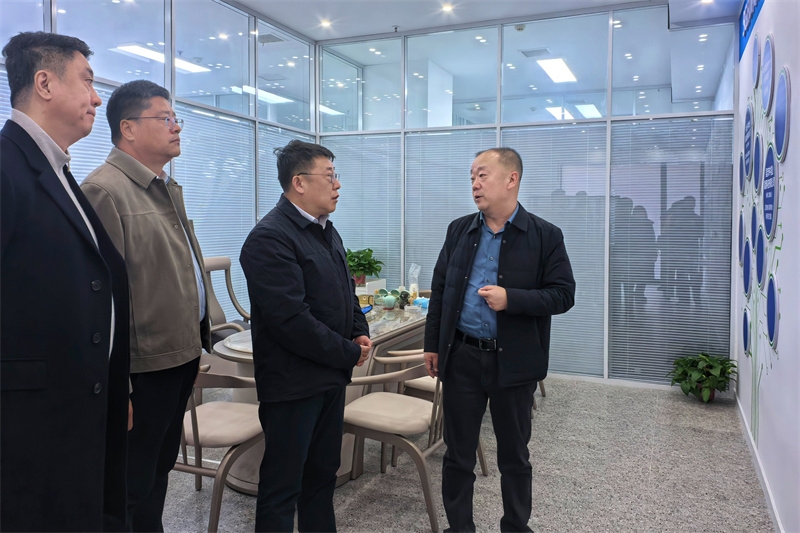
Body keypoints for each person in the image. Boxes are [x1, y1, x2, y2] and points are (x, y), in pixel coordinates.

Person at [0, 32, 130, 531]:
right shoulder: (7, 167)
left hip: (76, 410)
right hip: (29, 426)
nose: (96, 98)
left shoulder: (56, 169)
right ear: (45, 84)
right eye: (88, 82)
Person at [80, 79, 211, 532]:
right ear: (128, 128)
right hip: (142, 369)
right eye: (166, 118)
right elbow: (101, 302)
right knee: (131, 487)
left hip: (178, 357)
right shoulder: (105, 190)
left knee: (158, 474)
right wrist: (120, 386)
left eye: (176, 118)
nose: (177, 127)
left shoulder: (164, 187)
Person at [424, 147, 575, 532]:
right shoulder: (459, 230)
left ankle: (516, 527)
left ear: (511, 179)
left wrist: (512, 299)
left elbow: (563, 295)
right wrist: (432, 345)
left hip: (515, 364)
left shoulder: (545, 236)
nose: (474, 184)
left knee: (514, 458)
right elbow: (440, 290)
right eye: (471, 177)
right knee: (458, 456)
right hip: (462, 358)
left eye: (482, 175)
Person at [240, 140, 371, 532]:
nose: (337, 184)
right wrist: (347, 352)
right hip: (292, 386)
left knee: (322, 478)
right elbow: (292, 321)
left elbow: (346, 291)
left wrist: (359, 332)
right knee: (283, 487)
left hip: (328, 378)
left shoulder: (326, 230)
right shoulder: (270, 238)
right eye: (329, 176)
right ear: (299, 182)